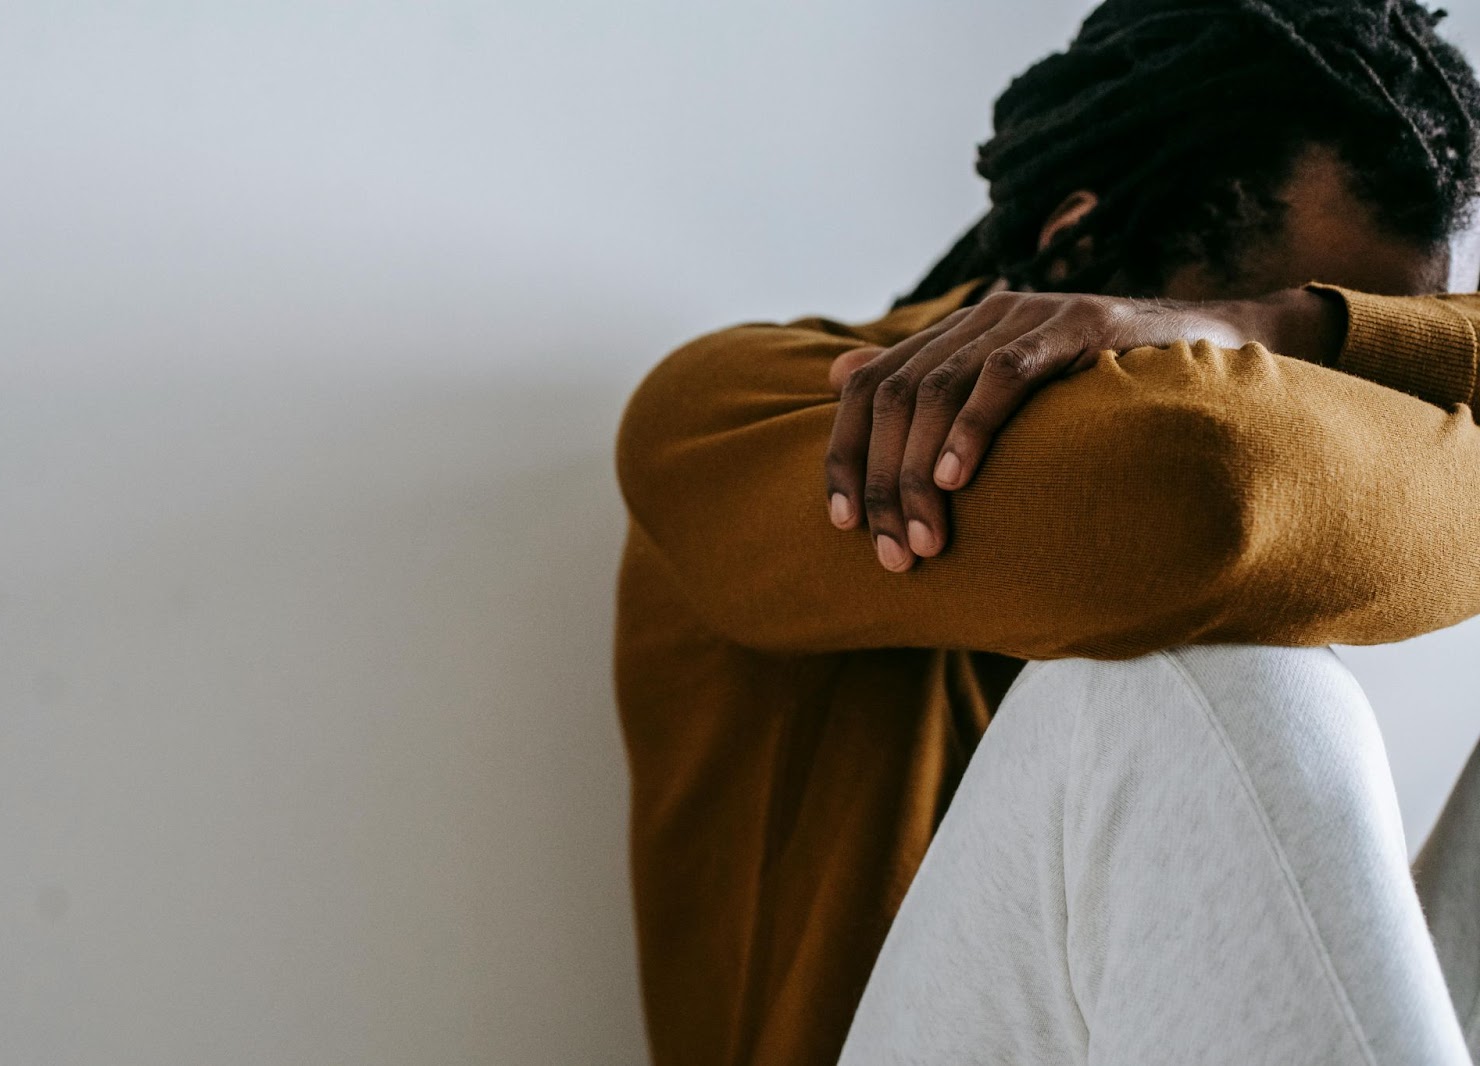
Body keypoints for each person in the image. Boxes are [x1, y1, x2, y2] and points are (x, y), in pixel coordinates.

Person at [613, 1, 1480, 1063]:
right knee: (1186, 680)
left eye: (1382, 367)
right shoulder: (742, 413)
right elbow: (1201, 497)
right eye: (1272, 375)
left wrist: (1288, 328)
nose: (1337, 425)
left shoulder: (1278, 345)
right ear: (1073, 242)